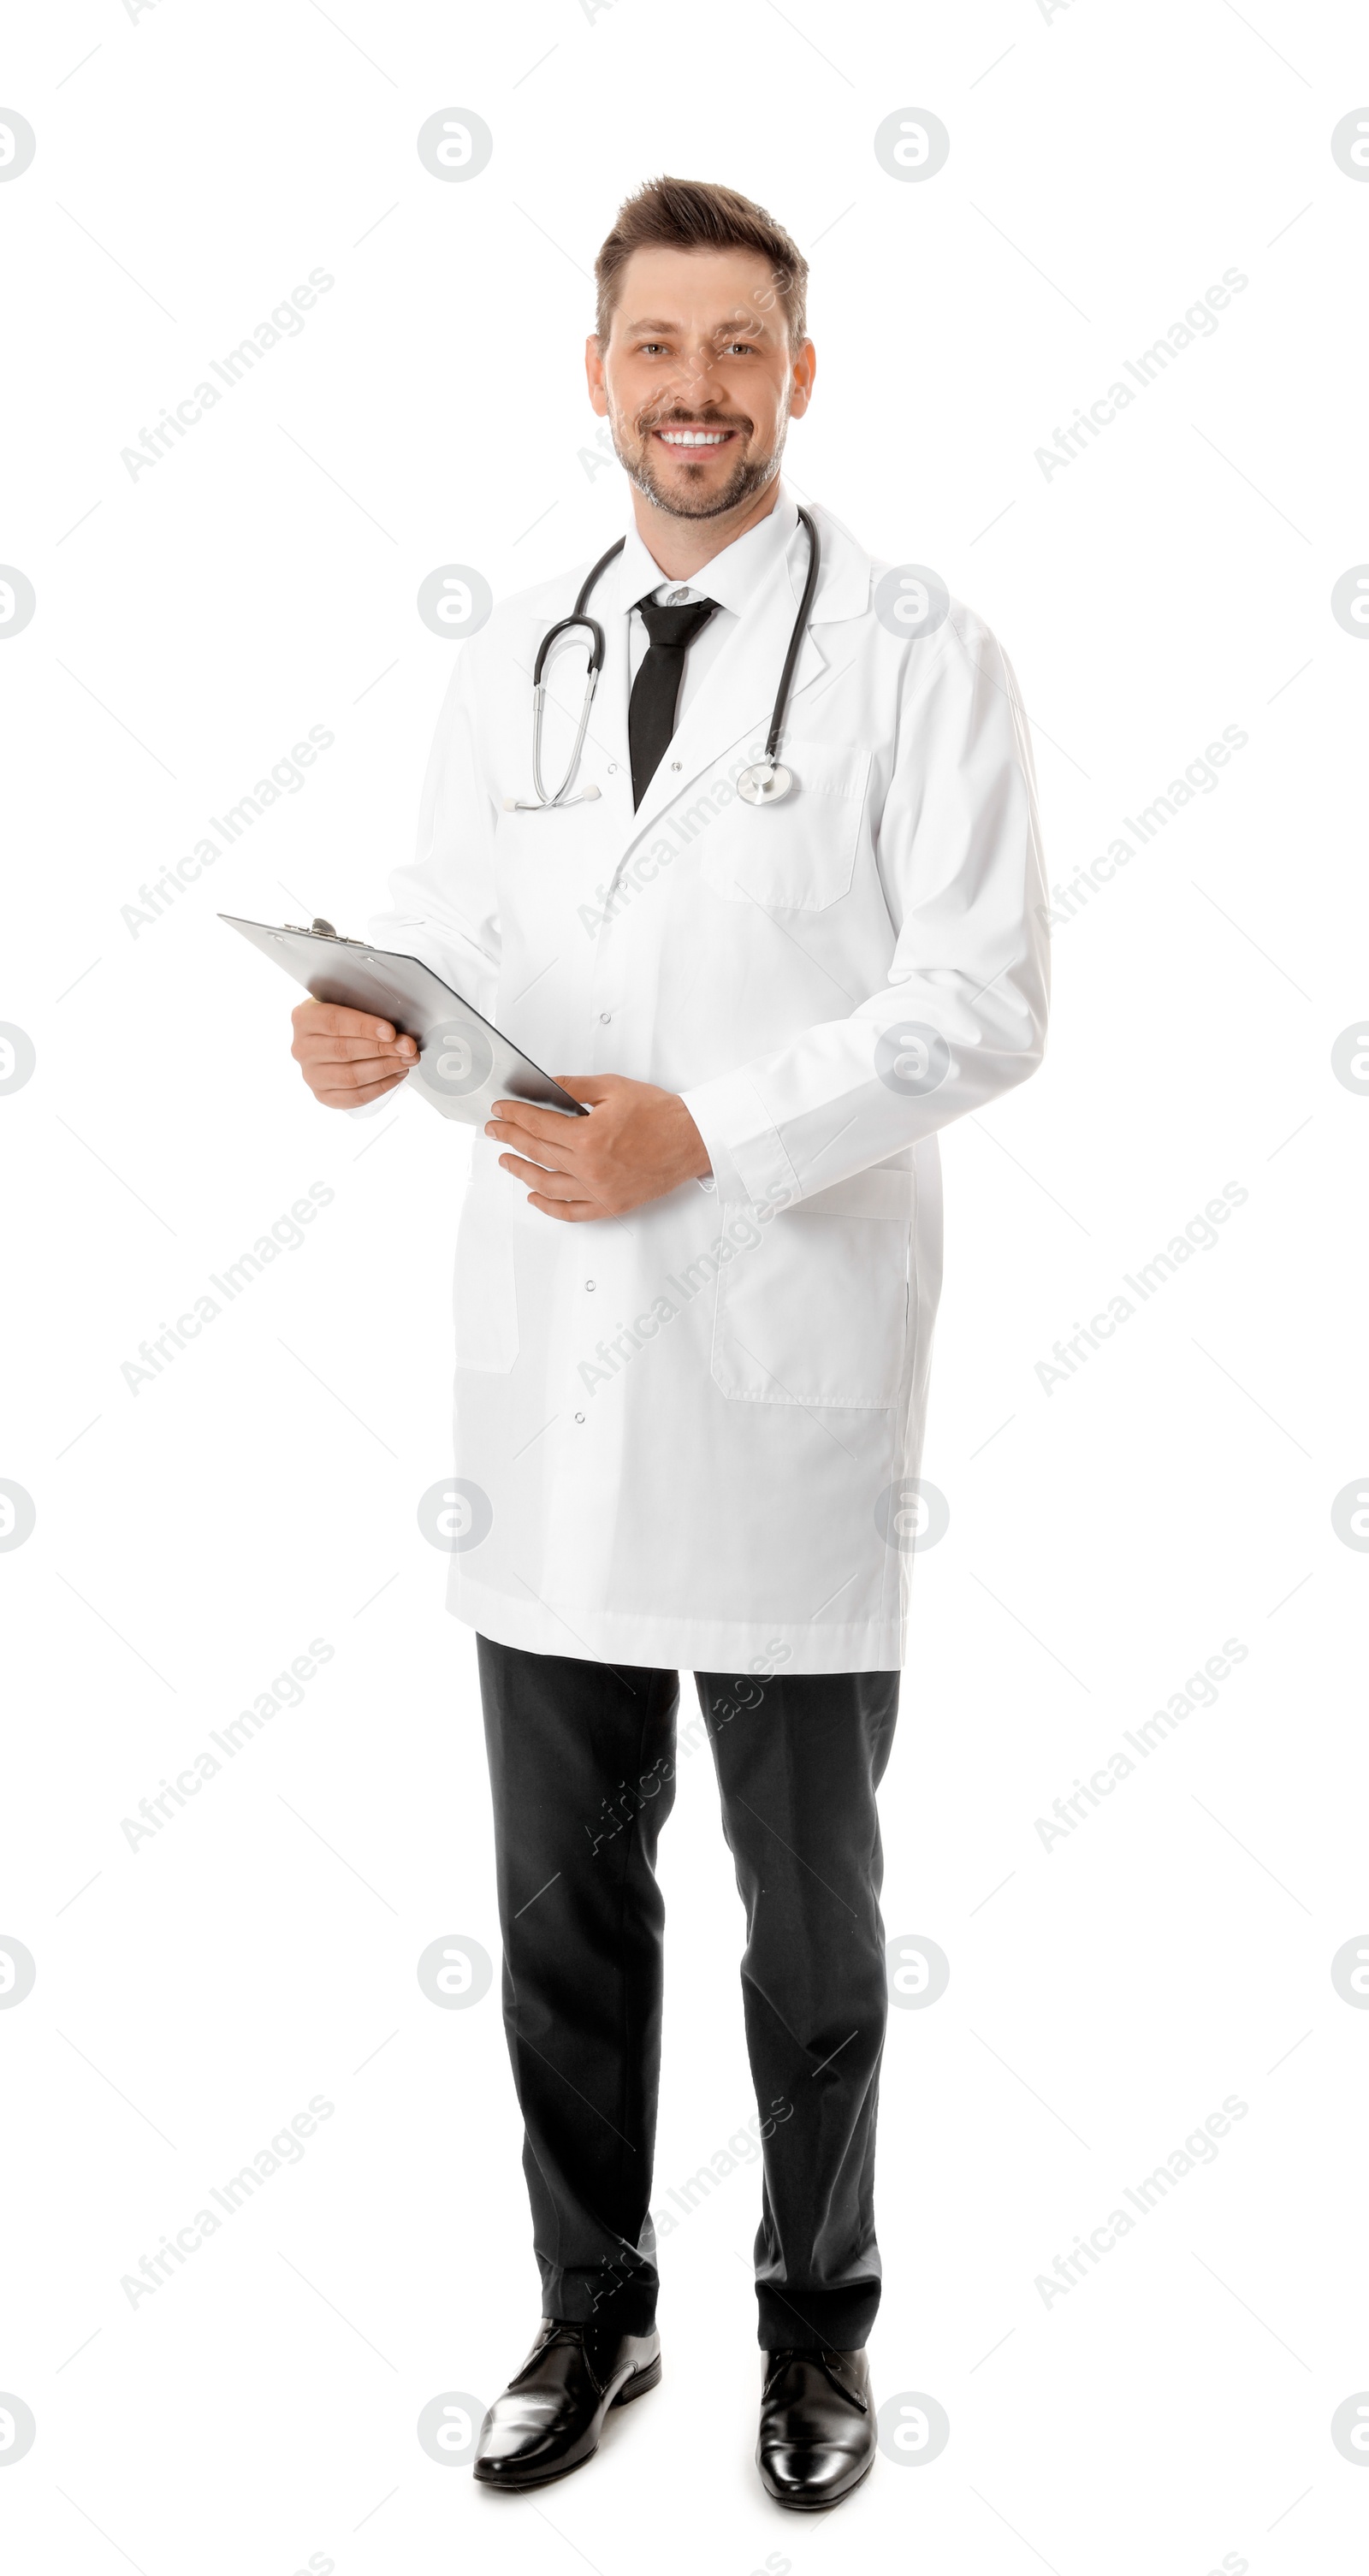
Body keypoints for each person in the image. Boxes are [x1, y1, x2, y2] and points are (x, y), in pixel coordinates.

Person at [290, 175, 1048, 2511]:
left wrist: (702, 1132)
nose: (697, 391)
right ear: (597, 370)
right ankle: (586, 2315)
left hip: (788, 1388)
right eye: (658, 348)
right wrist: (361, 1028)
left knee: (811, 1935)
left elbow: (983, 1002)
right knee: (558, 1912)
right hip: (549, 1390)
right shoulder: (515, 645)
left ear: (798, 375)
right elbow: (448, 947)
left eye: (741, 348)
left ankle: (815, 2337)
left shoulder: (922, 650)